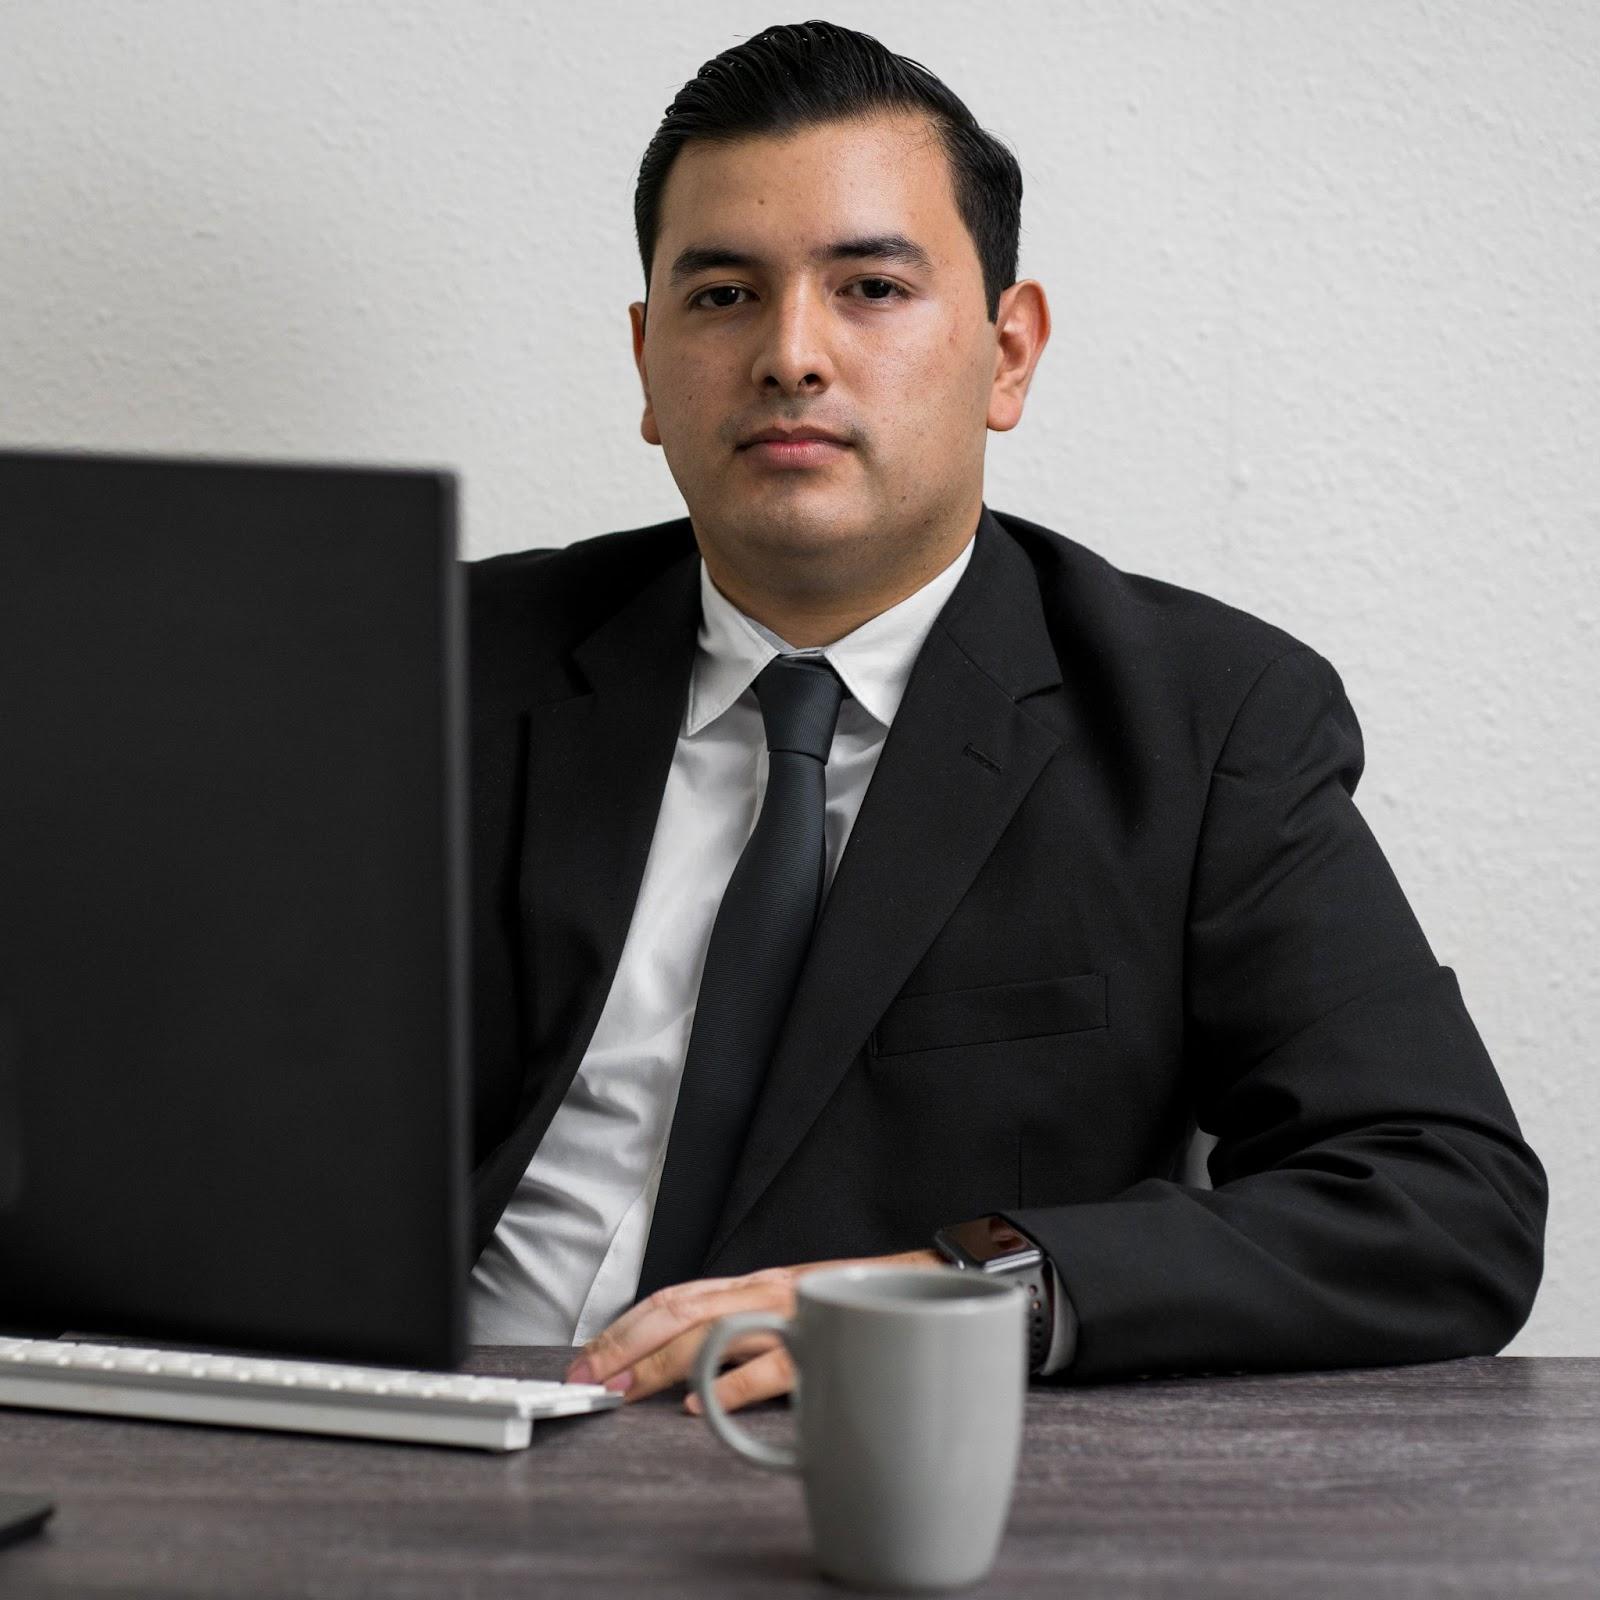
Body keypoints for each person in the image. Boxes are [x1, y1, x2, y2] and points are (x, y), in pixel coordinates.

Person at [464, 20, 1546, 1417]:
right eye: (724, 294)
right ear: (647, 362)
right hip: (392, 1437)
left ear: (1009, 353)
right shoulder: (441, 661)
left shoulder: (1207, 726)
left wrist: (977, 1290)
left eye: (870, 287)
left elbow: (1442, 1203)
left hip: (844, 1475)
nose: (792, 354)